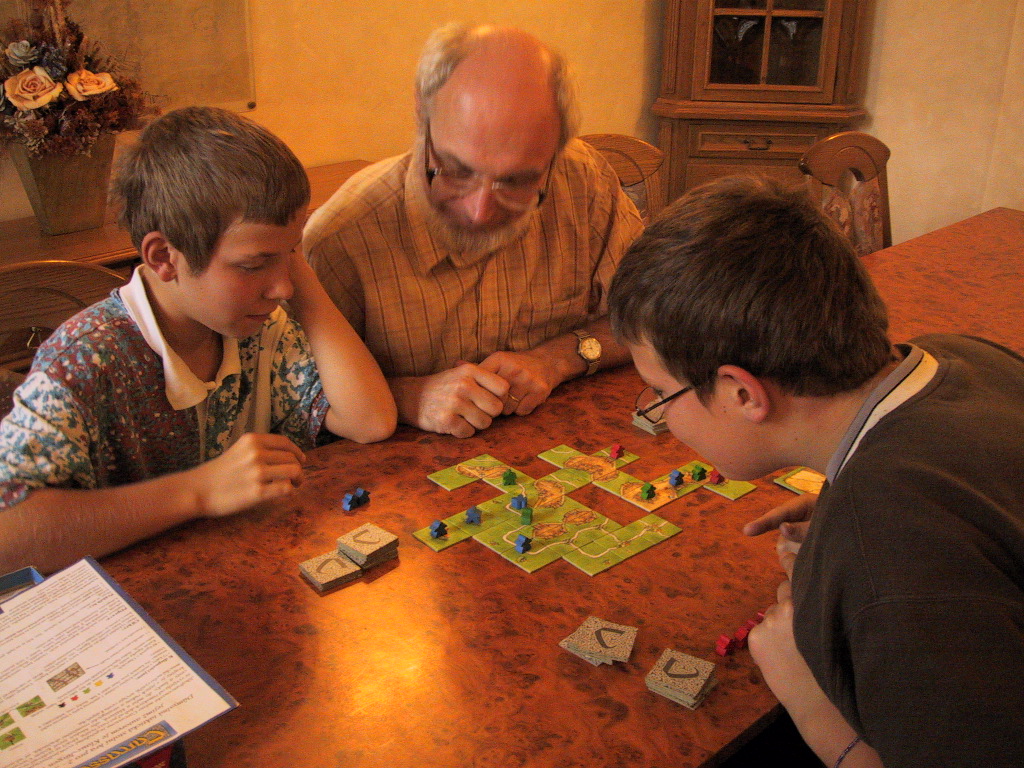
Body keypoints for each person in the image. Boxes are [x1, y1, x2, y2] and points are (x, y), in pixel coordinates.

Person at [607, 176, 1024, 768]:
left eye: (659, 393)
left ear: (742, 393)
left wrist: (812, 707)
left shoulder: (885, 560)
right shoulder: (961, 355)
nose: (657, 411)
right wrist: (846, 506)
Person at [0, 107, 397, 575]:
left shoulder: (259, 327)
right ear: (164, 257)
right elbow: (10, 536)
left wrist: (298, 277)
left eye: (290, 254)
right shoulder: (83, 360)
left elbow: (370, 420)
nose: (282, 287)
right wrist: (200, 491)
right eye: (253, 265)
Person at [304, 23, 644, 438]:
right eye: (456, 170)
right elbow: (296, 401)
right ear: (422, 114)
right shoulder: (342, 237)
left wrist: (558, 359)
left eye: (516, 181)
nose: (480, 212)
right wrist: (406, 396)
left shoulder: (581, 179)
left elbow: (653, 316)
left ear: (556, 148)